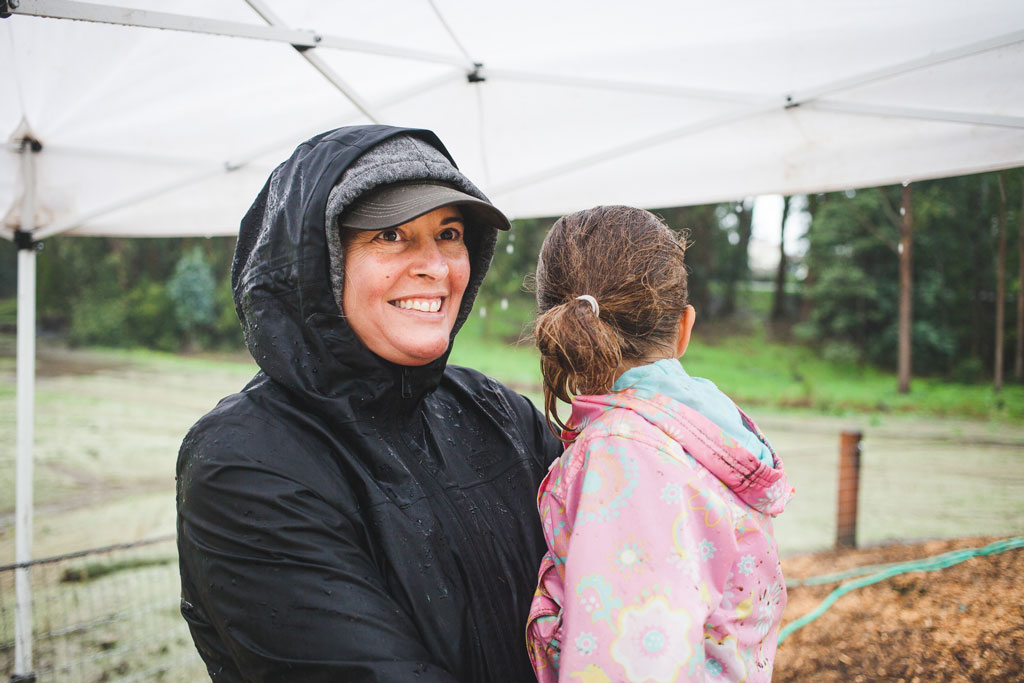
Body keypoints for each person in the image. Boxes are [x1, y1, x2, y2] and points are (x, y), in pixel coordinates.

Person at [176, 125, 562, 682]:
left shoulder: (496, 411)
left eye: (449, 233)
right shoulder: (243, 462)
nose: (436, 266)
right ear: (316, 265)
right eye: (390, 236)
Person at [524, 206, 794, 682]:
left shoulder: (626, 456)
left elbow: (631, 664)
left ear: (556, 330)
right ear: (684, 328)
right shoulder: (697, 428)